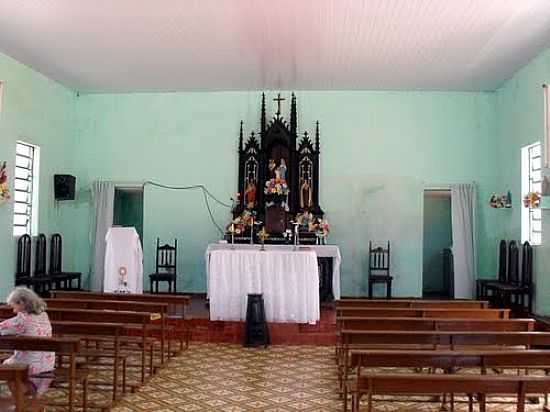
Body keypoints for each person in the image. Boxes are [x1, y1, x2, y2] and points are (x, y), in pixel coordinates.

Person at [0, 287, 55, 395]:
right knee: (12, 363)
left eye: (14, 305)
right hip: (47, 363)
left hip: (31, 365)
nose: (12, 309)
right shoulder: (44, 315)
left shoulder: (22, 320)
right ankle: (30, 395)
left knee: (7, 367)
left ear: (22, 303)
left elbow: (2, 328)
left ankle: (20, 400)